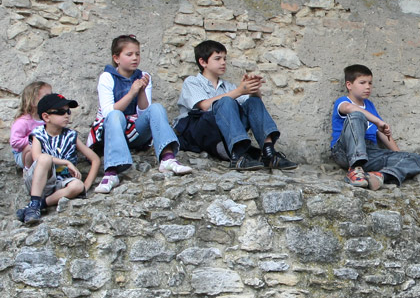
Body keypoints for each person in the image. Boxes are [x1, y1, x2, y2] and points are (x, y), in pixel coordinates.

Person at [89, 35, 192, 194]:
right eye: (129, 54)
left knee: (156, 108)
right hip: (113, 130)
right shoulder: (107, 77)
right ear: (116, 58)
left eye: (137, 54)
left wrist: (142, 91)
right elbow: (108, 112)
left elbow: (144, 112)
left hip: (135, 131)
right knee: (116, 115)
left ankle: (167, 158)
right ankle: (112, 172)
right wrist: (131, 93)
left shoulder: (143, 76)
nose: (135, 58)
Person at [174, 40, 297, 171]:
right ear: (203, 62)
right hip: (202, 131)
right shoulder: (192, 82)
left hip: (225, 132)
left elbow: (253, 107)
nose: (223, 62)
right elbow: (204, 106)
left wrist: (253, 88)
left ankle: (269, 153)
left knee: (253, 101)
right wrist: (239, 91)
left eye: (224, 59)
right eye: (217, 59)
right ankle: (238, 155)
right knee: (226, 101)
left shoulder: (229, 87)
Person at [330, 64, 420, 189]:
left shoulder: (369, 106)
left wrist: (399, 156)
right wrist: (378, 121)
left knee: (415, 159)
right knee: (357, 116)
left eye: (370, 83)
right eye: (362, 83)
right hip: (345, 151)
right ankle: (354, 169)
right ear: (349, 85)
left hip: (370, 153)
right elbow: (349, 108)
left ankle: (379, 176)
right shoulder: (343, 101)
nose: (367, 87)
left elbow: (382, 133)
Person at [16, 94, 100, 224]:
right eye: (61, 112)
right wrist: (65, 162)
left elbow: (95, 159)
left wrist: (86, 186)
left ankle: (38, 205)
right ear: (46, 117)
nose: (66, 115)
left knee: (77, 185)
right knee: (44, 159)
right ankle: (34, 201)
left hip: (61, 183)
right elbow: (37, 157)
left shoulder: (71, 135)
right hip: (40, 182)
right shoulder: (38, 134)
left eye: (68, 111)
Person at [9, 81, 51, 170]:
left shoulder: (48, 118)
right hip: (24, 155)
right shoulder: (23, 121)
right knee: (32, 146)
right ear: (32, 101)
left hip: (44, 152)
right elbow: (15, 142)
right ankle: (28, 170)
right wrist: (35, 140)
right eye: (46, 97)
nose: (50, 99)